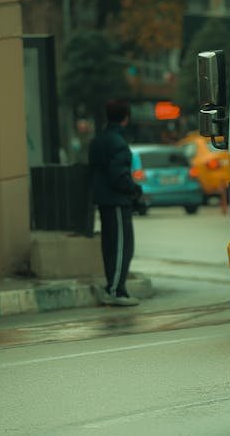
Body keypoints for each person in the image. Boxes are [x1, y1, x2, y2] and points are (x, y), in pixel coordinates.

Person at [88, 100, 144, 307]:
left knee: (110, 246)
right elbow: (118, 175)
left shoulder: (99, 140)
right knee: (122, 246)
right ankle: (115, 290)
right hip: (117, 201)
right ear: (126, 118)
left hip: (104, 201)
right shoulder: (118, 142)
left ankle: (113, 287)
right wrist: (135, 190)